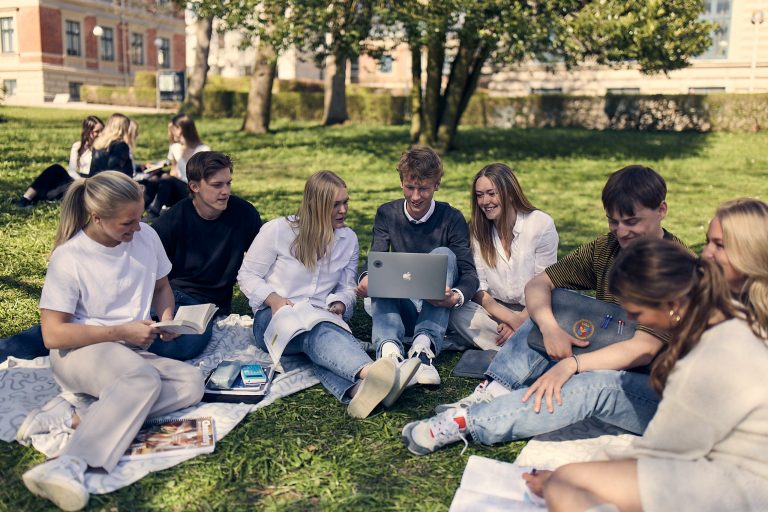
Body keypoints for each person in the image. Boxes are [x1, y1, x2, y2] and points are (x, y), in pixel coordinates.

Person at [402, 164, 682, 454]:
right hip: (600, 345)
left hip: (645, 378)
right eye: (613, 222)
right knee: (552, 302)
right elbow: (539, 284)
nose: (622, 232)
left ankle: (466, 422)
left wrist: (571, 365)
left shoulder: (675, 266)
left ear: (661, 210)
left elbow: (645, 348)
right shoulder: (606, 247)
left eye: (632, 222)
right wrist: (549, 328)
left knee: (592, 384)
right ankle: (494, 391)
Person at [523, 237, 768, 512]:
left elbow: (661, 451)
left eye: (637, 312)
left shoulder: (703, 361)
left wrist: (587, 467)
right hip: (740, 467)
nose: (635, 320)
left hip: (742, 487)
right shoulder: (734, 317)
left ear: (671, 304)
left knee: (563, 483)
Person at [17, 171, 204, 511]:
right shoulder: (70, 257)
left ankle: (76, 417)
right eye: (127, 223)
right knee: (142, 379)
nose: (137, 228)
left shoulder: (146, 236)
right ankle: (70, 463)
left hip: (125, 354)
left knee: (190, 382)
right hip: (78, 353)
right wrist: (121, 331)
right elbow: (52, 334)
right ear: (97, 218)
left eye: (139, 217)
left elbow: (162, 287)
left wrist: (166, 320)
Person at [238, 171, 419, 419]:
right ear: (315, 205)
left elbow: (346, 288)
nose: (343, 210)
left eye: (345, 202)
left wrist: (339, 305)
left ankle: (360, 390)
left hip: (321, 317)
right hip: (272, 320)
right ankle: (372, 372)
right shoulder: (277, 231)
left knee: (317, 337)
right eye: (335, 205)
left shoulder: (348, 239)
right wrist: (274, 300)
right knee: (314, 331)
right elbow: (246, 275)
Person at [357, 146, 479, 386]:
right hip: (400, 310)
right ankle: (389, 353)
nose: (415, 196)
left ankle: (423, 352)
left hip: (436, 310)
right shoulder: (387, 213)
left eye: (423, 188)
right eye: (410, 187)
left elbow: (469, 273)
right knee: (382, 272)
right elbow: (376, 257)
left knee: (444, 254)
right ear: (401, 182)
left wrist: (455, 296)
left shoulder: (451, 218)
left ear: (436, 185)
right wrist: (365, 278)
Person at [150, 151, 262, 359]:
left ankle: (131, 346)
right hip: (170, 295)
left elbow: (266, 259)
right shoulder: (173, 219)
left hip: (205, 305)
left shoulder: (244, 214)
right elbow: (146, 265)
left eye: (228, 183)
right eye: (217, 185)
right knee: (138, 324)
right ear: (195, 186)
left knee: (185, 346)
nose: (225, 191)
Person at [448, 163, 558, 350]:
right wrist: (510, 320)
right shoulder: (477, 230)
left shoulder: (541, 224)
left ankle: (506, 343)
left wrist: (520, 319)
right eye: (480, 195)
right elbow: (478, 287)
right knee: (456, 312)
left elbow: (546, 282)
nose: (485, 201)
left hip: (534, 308)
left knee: (557, 307)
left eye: (492, 193)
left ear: (509, 193)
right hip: (496, 310)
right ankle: (524, 344)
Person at [15, 116, 104, 208]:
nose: (101, 134)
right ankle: (25, 199)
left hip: (93, 184)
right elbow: (72, 170)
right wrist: (81, 181)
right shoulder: (78, 146)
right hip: (78, 180)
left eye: (102, 131)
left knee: (52, 192)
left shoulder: (104, 148)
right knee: (55, 169)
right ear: (88, 132)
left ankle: (43, 197)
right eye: (97, 131)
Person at [147, 114, 210, 218]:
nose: (171, 131)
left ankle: (153, 213)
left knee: (167, 179)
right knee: (158, 177)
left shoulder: (203, 150)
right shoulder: (174, 147)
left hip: (195, 191)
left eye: (173, 128)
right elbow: (173, 170)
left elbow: (206, 178)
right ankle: (146, 209)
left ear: (180, 129)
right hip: (178, 190)